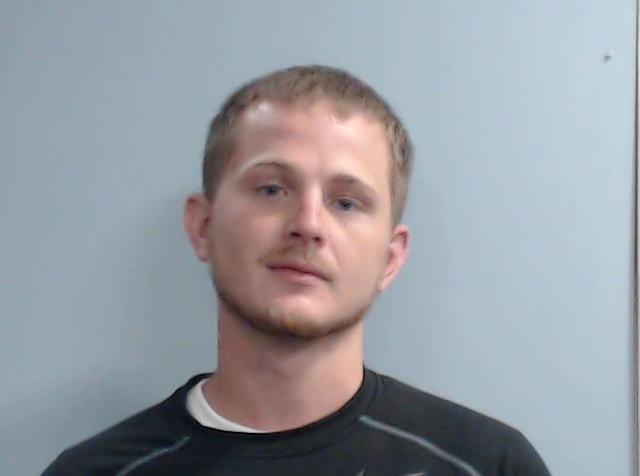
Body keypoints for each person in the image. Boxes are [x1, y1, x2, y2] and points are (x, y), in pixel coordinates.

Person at [42, 65, 551, 475]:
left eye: (346, 202)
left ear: (390, 257)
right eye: (272, 189)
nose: (308, 224)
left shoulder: (487, 465)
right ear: (203, 227)